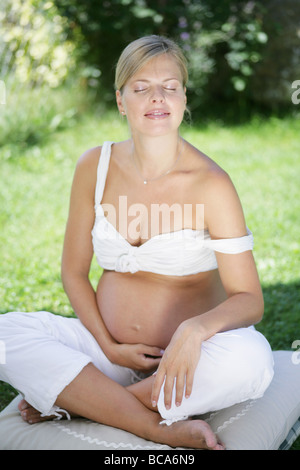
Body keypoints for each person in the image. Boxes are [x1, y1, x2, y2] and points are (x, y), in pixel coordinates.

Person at [0, 35, 274, 450]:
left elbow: (249, 299)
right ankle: (150, 424)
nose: (157, 98)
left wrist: (193, 331)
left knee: (253, 361)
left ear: (184, 97)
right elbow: (73, 272)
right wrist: (110, 348)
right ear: (120, 99)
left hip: (185, 364)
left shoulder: (212, 184)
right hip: (104, 352)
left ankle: (86, 404)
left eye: (170, 86)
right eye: (141, 87)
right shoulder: (94, 165)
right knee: (5, 332)